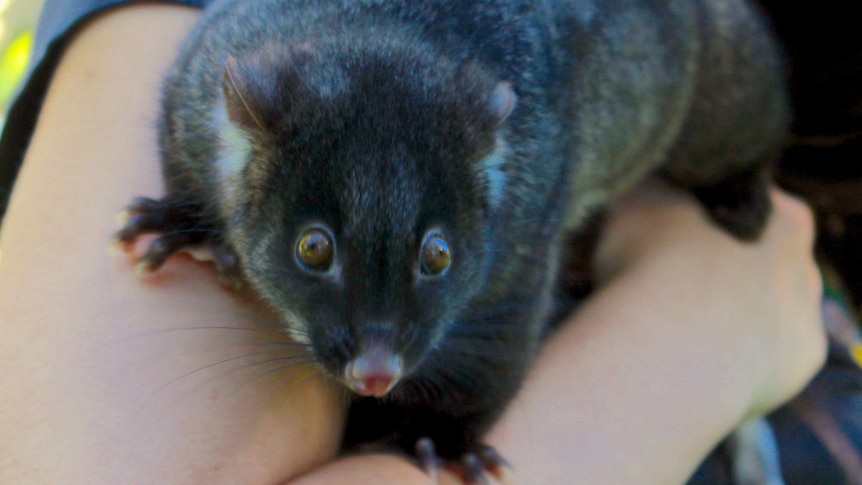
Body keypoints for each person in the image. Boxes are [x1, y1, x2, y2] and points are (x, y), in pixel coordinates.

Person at [0, 2, 826, 483]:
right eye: (317, 254)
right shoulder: (218, 77)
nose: (376, 368)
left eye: (435, 260)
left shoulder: (512, 163)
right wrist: (708, 335)